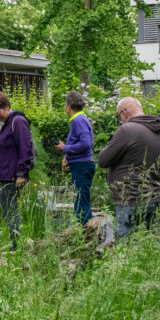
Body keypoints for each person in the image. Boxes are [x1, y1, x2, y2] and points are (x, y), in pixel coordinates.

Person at [97, 97, 160, 241]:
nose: (121, 120)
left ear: (124, 112)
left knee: (126, 248)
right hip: (155, 197)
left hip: (130, 200)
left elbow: (103, 160)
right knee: (149, 245)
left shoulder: (127, 130)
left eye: (119, 116)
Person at [0, 90, 35, 249]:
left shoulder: (18, 121)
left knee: (11, 211)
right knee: (8, 211)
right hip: (3, 175)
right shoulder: (7, 123)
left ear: (7, 106)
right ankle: (17, 243)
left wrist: (21, 173)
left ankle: (18, 246)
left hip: (11, 176)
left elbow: (25, 148)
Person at [55, 90, 95, 225]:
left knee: (81, 203)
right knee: (81, 199)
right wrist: (67, 156)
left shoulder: (78, 120)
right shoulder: (81, 119)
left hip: (82, 165)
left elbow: (86, 144)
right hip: (82, 163)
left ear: (68, 105)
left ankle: (88, 235)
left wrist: (65, 148)